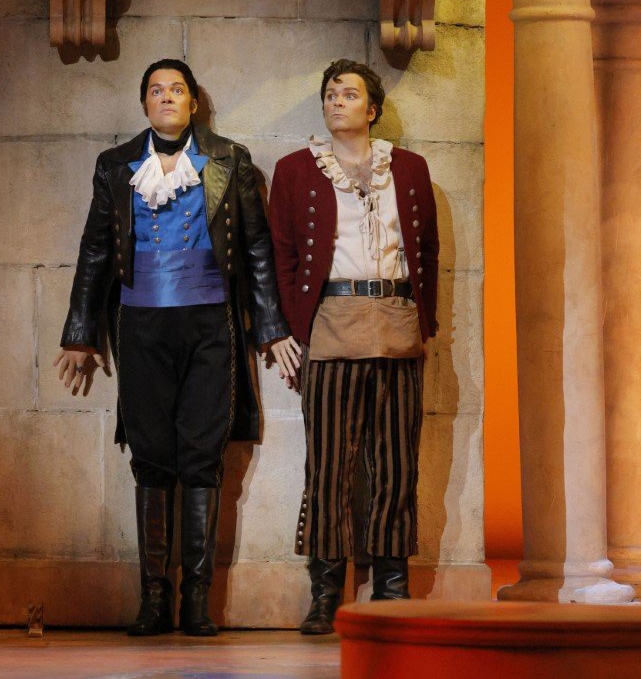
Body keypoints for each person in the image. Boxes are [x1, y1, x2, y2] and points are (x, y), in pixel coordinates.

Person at [54, 59, 298, 637]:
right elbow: (94, 249)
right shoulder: (115, 166)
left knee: (202, 457)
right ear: (145, 105)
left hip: (210, 325)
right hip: (141, 327)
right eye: (156, 91)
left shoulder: (228, 160)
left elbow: (258, 249)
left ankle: (196, 602)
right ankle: (153, 600)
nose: (167, 98)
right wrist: (79, 332)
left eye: (178, 90)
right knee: (151, 457)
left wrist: (271, 327)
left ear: (194, 103)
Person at [266, 58, 439, 635]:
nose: (337, 101)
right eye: (330, 93)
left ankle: (391, 584)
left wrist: (425, 323)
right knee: (330, 467)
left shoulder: (409, 169)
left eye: (349, 93)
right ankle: (325, 591)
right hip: (331, 322)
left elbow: (428, 251)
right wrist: (295, 329)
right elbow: (282, 255)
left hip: (395, 319)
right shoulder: (295, 171)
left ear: (372, 108)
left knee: (394, 461)